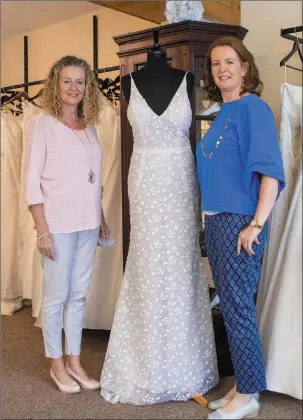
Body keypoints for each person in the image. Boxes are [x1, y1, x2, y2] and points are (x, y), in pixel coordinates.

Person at [100, 39, 219, 404]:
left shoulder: (186, 79)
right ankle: (146, 362)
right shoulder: (127, 83)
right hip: (145, 179)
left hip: (180, 181)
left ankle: (185, 363)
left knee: (181, 266)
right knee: (147, 265)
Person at [196, 37, 285, 420]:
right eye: (216, 63)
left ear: (245, 67)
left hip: (239, 224)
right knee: (232, 309)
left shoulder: (253, 109)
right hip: (216, 221)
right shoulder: (222, 112)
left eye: (230, 62)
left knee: (238, 309)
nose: (222, 69)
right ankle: (241, 387)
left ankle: (248, 395)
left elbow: (271, 173)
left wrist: (255, 225)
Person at [24, 55, 109, 393]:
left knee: (78, 295)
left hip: (88, 222)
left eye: (80, 81)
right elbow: (32, 181)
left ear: (87, 87)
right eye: (68, 81)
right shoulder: (43, 124)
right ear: (56, 85)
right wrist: (41, 229)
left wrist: (100, 216)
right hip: (56, 223)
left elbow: (93, 179)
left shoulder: (89, 125)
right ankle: (56, 363)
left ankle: (75, 361)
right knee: (57, 295)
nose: (74, 88)